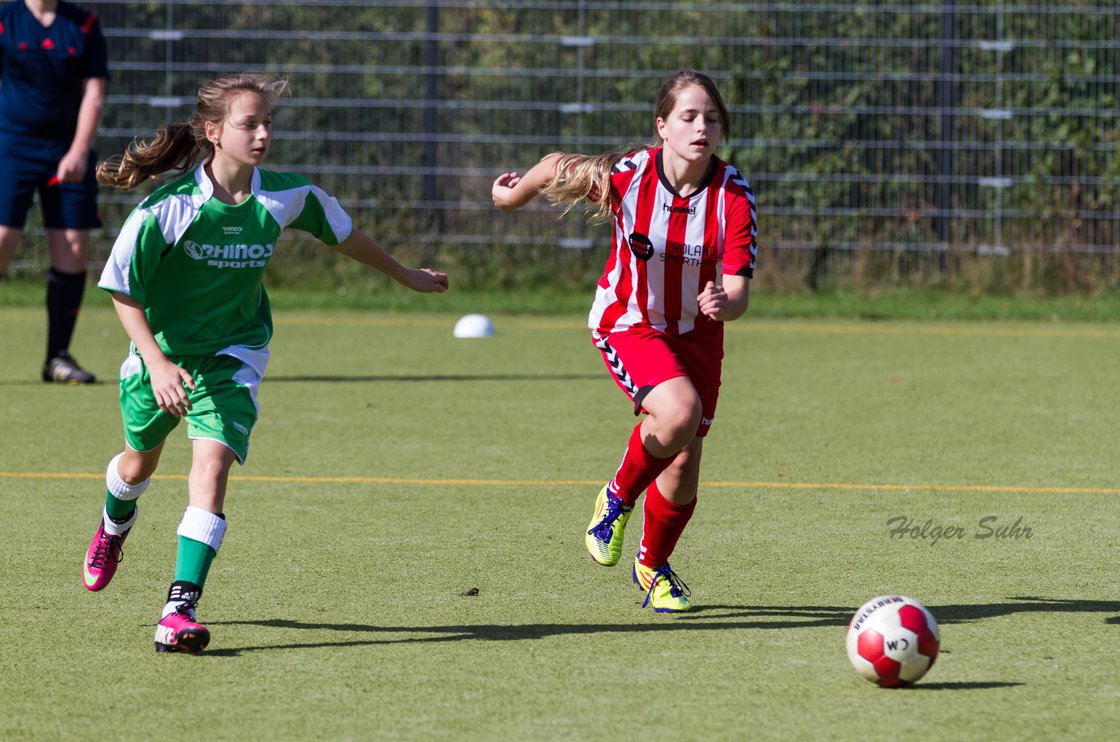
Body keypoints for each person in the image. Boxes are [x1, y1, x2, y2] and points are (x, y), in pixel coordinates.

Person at [81, 72, 448, 653]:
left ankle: (179, 608)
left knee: (213, 467)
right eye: (248, 123)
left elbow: (346, 236)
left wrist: (408, 275)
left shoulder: (285, 195)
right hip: (163, 356)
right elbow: (121, 288)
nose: (262, 134)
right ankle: (112, 525)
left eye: (267, 123)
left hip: (234, 352)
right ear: (213, 131)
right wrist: (154, 363)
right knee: (136, 465)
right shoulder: (167, 209)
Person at [491, 70, 756, 612]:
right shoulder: (631, 175)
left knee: (683, 465)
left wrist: (726, 303)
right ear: (662, 127)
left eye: (710, 117)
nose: (701, 126)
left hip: (698, 337)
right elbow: (553, 166)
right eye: (688, 116)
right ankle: (615, 500)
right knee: (679, 414)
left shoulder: (732, 195)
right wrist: (511, 198)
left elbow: (738, 289)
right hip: (628, 321)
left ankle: (652, 567)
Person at [0, 0, 109, 383]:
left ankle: (58, 357)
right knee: (2, 242)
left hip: (67, 154)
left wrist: (79, 150)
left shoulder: (83, 26)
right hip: (10, 147)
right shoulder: (4, 22)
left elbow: (94, 92)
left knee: (73, 251)